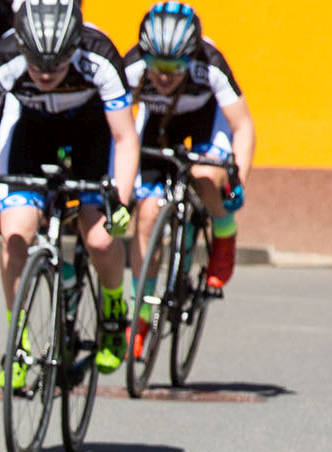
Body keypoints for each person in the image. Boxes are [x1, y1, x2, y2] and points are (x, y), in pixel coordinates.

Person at [0, 0, 139, 383]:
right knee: (14, 238)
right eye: (36, 65)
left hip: (91, 135)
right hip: (30, 134)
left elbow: (125, 138)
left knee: (101, 239)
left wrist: (119, 201)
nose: (44, 74)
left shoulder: (100, 55)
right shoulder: (2, 56)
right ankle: (19, 341)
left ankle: (112, 312)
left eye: (56, 66)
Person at [123, 2, 256, 307]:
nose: (164, 77)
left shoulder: (210, 63)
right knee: (147, 215)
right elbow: (112, 122)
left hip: (204, 122)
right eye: (157, 67)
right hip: (158, 124)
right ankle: (141, 317)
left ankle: (224, 231)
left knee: (205, 174)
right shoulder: (132, 66)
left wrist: (238, 181)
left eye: (174, 69)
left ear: (190, 58)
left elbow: (243, 125)